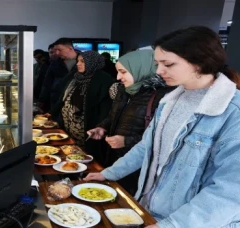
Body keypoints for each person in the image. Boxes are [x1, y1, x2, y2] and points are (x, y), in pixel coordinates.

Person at [84, 26, 240, 228]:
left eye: (168, 64)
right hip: (151, 212)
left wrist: (174, 225)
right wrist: (109, 173)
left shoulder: (232, 112)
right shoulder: (170, 101)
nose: (158, 71)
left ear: (200, 62)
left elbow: (230, 190)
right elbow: (146, 147)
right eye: (157, 64)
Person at [87, 50, 174, 194]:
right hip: (115, 159)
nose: (118, 77)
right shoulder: (125, 90)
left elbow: (163, 136)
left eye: (123, 72)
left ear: (141, 68)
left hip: (139, 166)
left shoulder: (163, 96)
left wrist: (127, 141)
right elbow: (113, 116)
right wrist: (102, 127)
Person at [47, 51, 114, 154]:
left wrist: (101, 126)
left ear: (92, 62)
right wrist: (51, 113)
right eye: (77, 61)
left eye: (82, 61)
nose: (78, 64)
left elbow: (106, 110)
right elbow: (63, 99)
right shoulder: (75, 77)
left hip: (87, 129)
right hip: (68, 127)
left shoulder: (104, 81)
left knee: (85, 156)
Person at [38, 38, 79, 112]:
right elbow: (47, 82)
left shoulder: (85, 61)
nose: (57, 53)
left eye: (59, 50)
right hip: (57, 100)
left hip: (77, 102)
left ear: (70, 48)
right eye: (56, 50)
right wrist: (42, 100)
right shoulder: (55, 63)